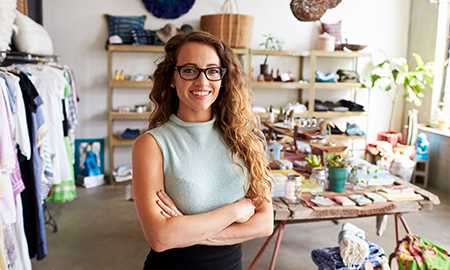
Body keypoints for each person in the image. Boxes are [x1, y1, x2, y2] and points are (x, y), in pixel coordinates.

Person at [132, 31, 273, 270]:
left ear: (223, 78)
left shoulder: (245, 139)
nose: (202, 81)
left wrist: (185, 229)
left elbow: (265, 223)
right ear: (172, 77)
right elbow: (160, 238)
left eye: (212, 71)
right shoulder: (152, 145)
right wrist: (234, 211)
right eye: (189, 70)